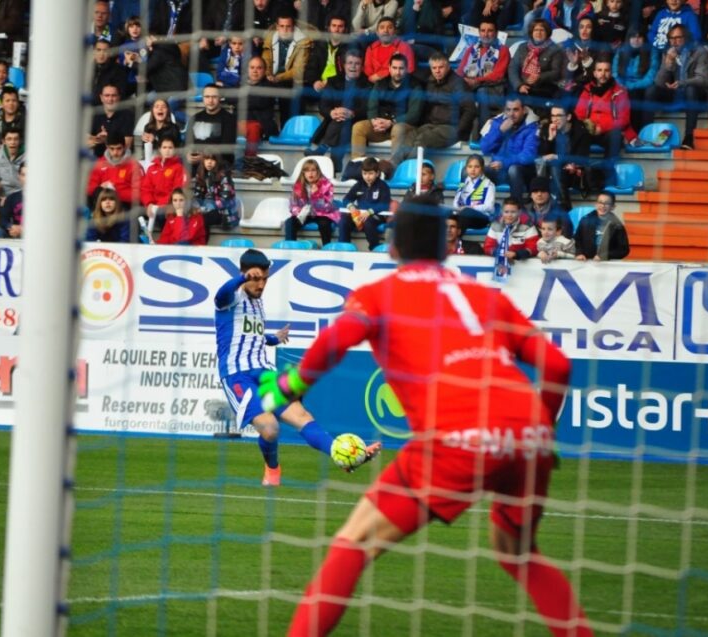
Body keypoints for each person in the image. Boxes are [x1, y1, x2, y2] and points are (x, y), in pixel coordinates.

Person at [257, 191, 590, 637]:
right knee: (518, 552)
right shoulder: (485, 296)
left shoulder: (379, 294)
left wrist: (288, 386)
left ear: (392, 246)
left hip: (458, 435)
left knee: (353, 544)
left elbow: (339, 339)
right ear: (446, 246)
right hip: (528, 433)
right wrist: (539, 431)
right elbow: (558, 366)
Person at [217, 248, 380, 486]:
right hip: (237, 376)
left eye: (265, 279)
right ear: (244, 275)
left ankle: (342, 454)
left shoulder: (258, 303)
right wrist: (243, 279)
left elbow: (252, 336)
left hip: (265, 373)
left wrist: (274, 338)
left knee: (302, 416)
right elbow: (219, 296)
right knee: (270, 429)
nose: (261, 284)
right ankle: (272, 467)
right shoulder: (231, 298)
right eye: (256, 279)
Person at [641, 25, 708, 151]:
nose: (674, 42)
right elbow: (659, 82)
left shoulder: (700, 52)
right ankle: (646, 134)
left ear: (686, 38)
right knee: (651, 90)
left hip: (700, 94)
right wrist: (668, 63)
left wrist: (683, 83)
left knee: (691, 88)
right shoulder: (669, 52)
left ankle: (689, 138)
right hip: (677, 91)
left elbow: (703, 80)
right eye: (671, 38)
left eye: (678, 38)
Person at [398, 53, 475, 160]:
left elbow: (470, 110)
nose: (437, 71)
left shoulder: (458, 84)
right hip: (432, 125)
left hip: (451, 127)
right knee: (409, 136)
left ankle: (410, 171)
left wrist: (458, 131)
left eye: (441, 67)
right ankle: (401, 167)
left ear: (448, 66)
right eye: (434, 68)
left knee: (423, 139)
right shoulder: (430, 82)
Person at [307, 48, 370, 172]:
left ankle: (323, 148)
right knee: (340, 120)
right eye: (350, 63)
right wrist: (332, 112)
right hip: (334, 121)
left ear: (362, 67)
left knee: (343, 121)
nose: (353, 67)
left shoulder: (367, 85)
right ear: (344, 65)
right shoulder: (333, 81)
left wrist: (352, 113)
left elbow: (367, 109)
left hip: (356, 123)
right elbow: (323, 106)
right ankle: (335, 161)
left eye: (357, 64)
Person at [350, 53, 419, 167]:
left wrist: (391, 122)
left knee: (398, 129)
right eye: (395, 68)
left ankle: (393, 168)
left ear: (407, 69)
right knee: (358, 127)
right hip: (381, 127)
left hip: (404, 127)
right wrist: (374, 121)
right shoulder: (380, 84)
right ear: (389, 68)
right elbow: (371, 106)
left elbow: (414, 114)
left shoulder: (415, 86)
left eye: (401, 68)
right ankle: (359, 167)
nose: (398, 72)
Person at [573, 59, 634, 186]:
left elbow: (624, 119)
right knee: (579, 131)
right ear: (594, 73)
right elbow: (579, 114)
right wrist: (590, 125)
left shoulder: (620, 92)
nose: (603, 74)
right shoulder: (586, 90)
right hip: (589, 131)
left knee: (615, 134)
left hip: (608, 132)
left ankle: (607, 174)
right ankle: (581, 174)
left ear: (611, 73)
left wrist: (601, 127)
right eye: (599, 70)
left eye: (606, 70)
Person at [455, 19, 510, 136]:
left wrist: (476, 81)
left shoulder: (503, 50)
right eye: (483, 30)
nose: (486, 34)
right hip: (471, 86)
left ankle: (483, 134)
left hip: (494, 89)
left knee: (482, 91)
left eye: (490, 31)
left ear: (496, 33)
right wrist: (463, 81)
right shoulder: (471, 49)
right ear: (479, 32)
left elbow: (498, 75)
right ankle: (459, 135)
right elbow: (460, 71)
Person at [480, 95, 539, 202]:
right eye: (508, 110)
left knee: (514, 169)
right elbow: (484, 148)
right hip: (498, 170)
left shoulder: (532, 127)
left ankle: (517, 208)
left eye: (516, 110)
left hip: (523, 172)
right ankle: (475, 209)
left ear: (524, 110)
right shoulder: (497, 122)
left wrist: (504, 163)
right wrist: (500, 131)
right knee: (473, 170)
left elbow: (527, 156)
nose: (511, 114)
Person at [538, 103, 590, 211]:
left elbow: (581, 158)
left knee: (555, 167)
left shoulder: (580, 132)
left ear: (568, 117)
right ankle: (562, 203)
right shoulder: (546, 129)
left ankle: (564, 204)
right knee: (552, 167)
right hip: (550, 172)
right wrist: (550, 139)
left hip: (573, 172)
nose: (555, 119)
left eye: (558, 116)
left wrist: (557, 157)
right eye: (552, 116)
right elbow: (542, 155)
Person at [261, 11, 312, 119]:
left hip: (292, 80)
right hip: (272, 79)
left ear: (293, 27)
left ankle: (288, 128)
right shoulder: (269, 39)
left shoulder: (303, 42)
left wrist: (278, 78)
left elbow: (298, 70)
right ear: (277, 27)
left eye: (288, 26)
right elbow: (266, 60)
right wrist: (268, 74)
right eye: (282, 26)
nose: (285, 30)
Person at [338, 156, 391, 250]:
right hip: (359, 216)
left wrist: (370, 211)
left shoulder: (383, 186)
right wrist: (351, 207)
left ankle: (374, 248)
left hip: (376, 215)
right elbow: (346, 199)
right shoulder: (359, 184)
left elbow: (385, 204)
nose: (367, 176)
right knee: (343, 221)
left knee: (368, 222)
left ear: (377, 173)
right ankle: (344, 247)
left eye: (371, 173)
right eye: (365, 173)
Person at [612, 27, 658, 135]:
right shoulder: (621, 51)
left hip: (642, 87)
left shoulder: (652, 51)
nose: (636, 40)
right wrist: (623, 86)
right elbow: (614, 73)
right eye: (633, 37)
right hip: (623, 87)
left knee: (634, 94)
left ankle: (638, 132)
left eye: (639, 37)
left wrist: (632, 86)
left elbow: (651, 76)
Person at [508, 19, 564, 106]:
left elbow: (556, 72)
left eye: (542, 30)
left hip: (544, 89)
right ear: (531, 32)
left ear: (547, 32)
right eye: (536, 30)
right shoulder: (522, 47)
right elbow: (513, 68)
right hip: (523, 86)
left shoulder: (555, 50)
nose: (539, 33)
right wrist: (519, 85)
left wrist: (539, 77)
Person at [286, 158, 339, 245]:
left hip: (322, 214)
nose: (310, 173)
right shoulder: (298, 185)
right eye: (307, 171)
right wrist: (299, 212)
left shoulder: (326, 184)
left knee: (324, 224)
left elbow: (328, 207)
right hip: (305, 213)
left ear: (318, 171)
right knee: (290, 222)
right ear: (303, 173)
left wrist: (316, 195)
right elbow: (293, 205)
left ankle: (327, 248)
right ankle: (290, 247)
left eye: (313, 170)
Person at [87, 132, 143, 210]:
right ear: (107, 147)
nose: (115, 153)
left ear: (124, 147)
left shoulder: (134, 165)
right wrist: (99, 188)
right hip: (103, 203)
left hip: (124, 205)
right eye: (112, 148)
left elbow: (141, 194)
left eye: (119, 148)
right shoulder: (100, 163)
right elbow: (89, 188)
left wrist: (114, 192)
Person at [140, 136, 187, 229]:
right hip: (153, 206)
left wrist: (161, 206)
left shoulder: (179, 168)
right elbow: (145, 190)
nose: (167, 150)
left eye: (170, 148)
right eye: (164, 147)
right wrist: (149, 204)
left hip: (169, 207)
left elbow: (178, 191)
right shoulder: (152, 168)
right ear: (159, 149)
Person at [186, 84, 237, 168]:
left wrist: (204, 157)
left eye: (214, 97)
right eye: (207, 97)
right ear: (202, 98)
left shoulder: (229, 119)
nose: (210, 100)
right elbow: (187, 144)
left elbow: (226, 149)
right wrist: (188, 154)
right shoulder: (195, 118)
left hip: (218, 164)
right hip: (196, 165)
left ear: (220, 97)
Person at [192, 151, 239, 239]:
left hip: (225, 213)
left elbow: (225, 201)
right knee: (190, 216)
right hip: (207, 208)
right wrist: (195, 207)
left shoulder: (224, 175)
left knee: (202, 219)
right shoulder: (202, 174)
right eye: (206, 159)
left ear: (217, 161)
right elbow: (197, 195)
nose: (209, 162)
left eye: (212, 159)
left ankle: (201, 245)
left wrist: (205, 208)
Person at [574, 191, 629, 260]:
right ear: (596, 204)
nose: (603, 206)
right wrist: (579, 253)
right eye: (600, 202)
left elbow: (624, 250)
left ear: (613, 207)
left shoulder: (617, 225)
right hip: (586, 262)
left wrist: (605, 256)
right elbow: (577, 240)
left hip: (607, 264)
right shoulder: (585, 220)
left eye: (607, 203)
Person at [362, 17, 416, 83]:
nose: (385, 30)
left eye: (390, 27)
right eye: (382, 27)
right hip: (375, 85)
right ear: (377, 33)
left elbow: (409, 69)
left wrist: (381, 75)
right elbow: (368, 71)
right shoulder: (371, 48)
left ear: (395, 31)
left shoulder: (404, 47)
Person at [88, 83, 134, 159]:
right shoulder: (95, 114)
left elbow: (126, 146)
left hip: (118, 162)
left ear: (119, 97)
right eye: (107, 95)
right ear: (101, 97)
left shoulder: (127, 115)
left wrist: (107, 140)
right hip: (96, 161)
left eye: (114, 95)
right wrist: (98, 139)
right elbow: (85, 139)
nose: (110, 99)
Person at [452, 153, 496, 220]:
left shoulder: (489, 184)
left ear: (482, 168)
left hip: (481, 217)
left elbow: (490, 207)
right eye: (470, 166)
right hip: (463, 215)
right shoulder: (463, 183)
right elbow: (456, 201)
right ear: (466, 168)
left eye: (477, 167)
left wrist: (472, 208)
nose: (473, 169)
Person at [0, 127, 24, 203]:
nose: (12, 142)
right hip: (2, 195)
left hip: (21, 195)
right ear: (3, 141)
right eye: (9, 139)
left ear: (20, 141)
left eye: (15, 139)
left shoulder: (28, 156)